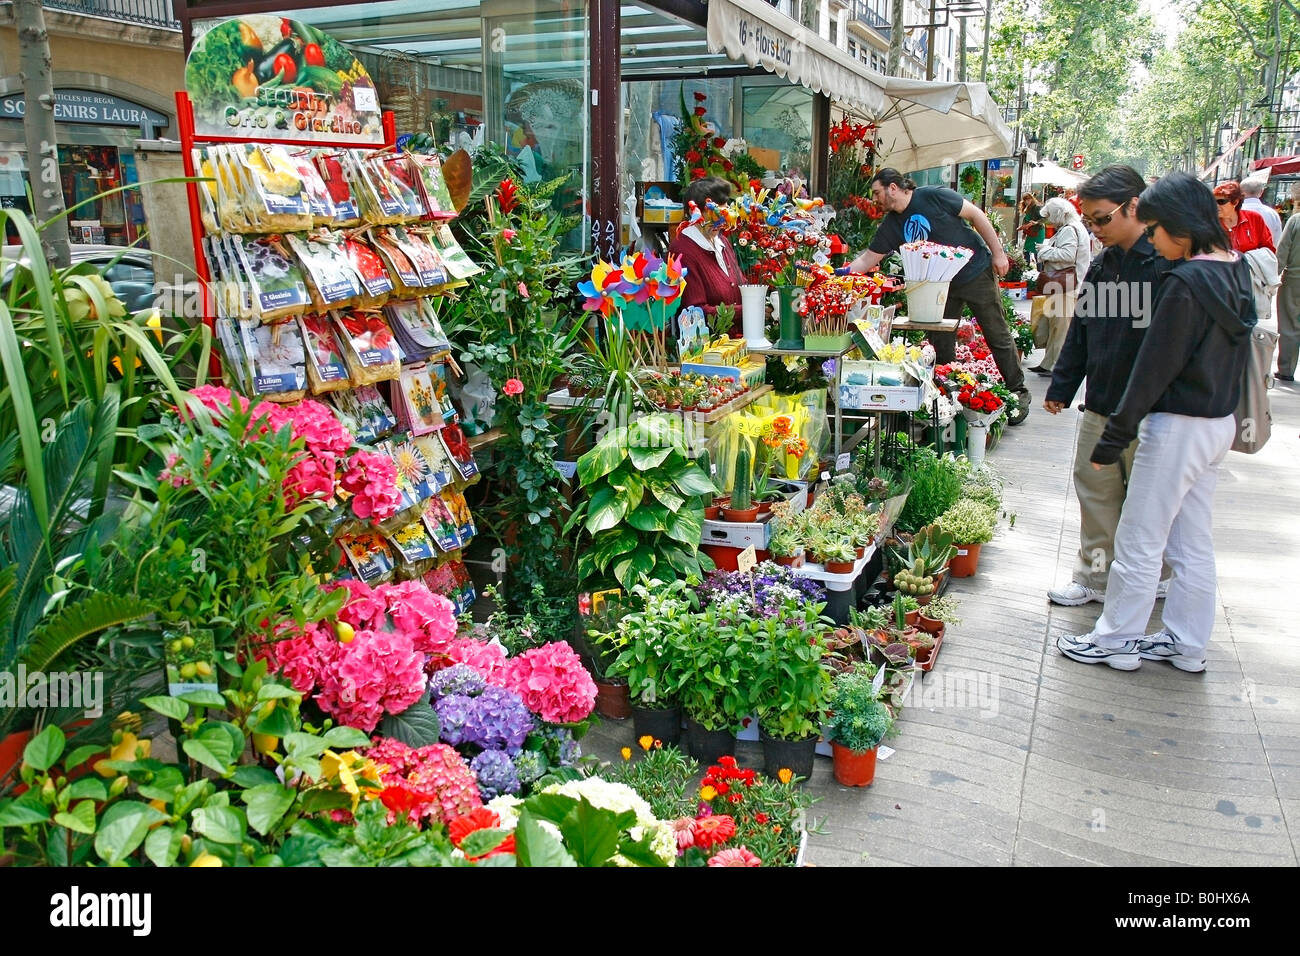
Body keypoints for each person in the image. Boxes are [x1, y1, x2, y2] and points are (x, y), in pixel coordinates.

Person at [1057, 171, 1256, 672]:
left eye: (1157, 227)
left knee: (1140, 541)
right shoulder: (1232, 269)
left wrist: (1112, 441)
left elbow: (1152, 369)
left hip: (1177, 425)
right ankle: (1187, 643)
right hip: (1215, 422)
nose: (1153, 237)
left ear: (1179, 227)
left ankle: (1116, 640)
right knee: (1191, 542)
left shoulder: (1183, 282)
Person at [1043, 165, 1175, 606]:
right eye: (1090, 220)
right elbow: (1083, 328)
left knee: (1149, 504)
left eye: (1101, 219)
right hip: (1101, 404)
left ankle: (1155, 578)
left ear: (1133, 206)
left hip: (1152, 411)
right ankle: (1095, 577)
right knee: (1096, 495)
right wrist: (1063, 386)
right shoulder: (1104, 263)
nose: (1094, 229)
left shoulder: (1165, 264)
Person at [847, 168, 1030, 424]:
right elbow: (868, 258)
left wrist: (998, 253)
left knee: (996, 333)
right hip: (939, 287)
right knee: (940, 342)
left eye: (877, 192)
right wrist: (841, 273)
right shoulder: (892, 224)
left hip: (975, 272)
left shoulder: (933, 196)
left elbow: (976, 215)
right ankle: (947, 397)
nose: (875, 199)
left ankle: (1017, 391)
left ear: (893, 187)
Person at [668, 176, 744, 332]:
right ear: (693, 211)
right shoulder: (683, 249)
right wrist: (746, 310)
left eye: (724, 213)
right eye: (714, 214)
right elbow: (694, 312)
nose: (720, 221)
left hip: (736, 344)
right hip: (707, 348)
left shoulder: (721, 241)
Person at [1028, 197, 1091, 375]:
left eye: (1049, 216)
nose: (1048, 220)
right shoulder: (1074, 228)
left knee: (1059, 326)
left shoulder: (1069, 230)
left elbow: (1067, 254)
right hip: (1067, 285)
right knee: (1057, 325)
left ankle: (1054, 365)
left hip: (1064, 286)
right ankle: (1050, 363)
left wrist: (1043, 250)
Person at [1212, 181, 1275, 254]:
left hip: (1249, 264)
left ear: (1235, 202)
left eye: (1221, 201)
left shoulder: (1254, 219)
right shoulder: (1209, 222)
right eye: (1213, 201)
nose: (1216, 206)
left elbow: (1268, 249)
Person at [1277, 209, 1300, 382]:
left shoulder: (1295, 220)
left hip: (1294, 279)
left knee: (1289, 326)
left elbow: (1283, 250)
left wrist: (1272, 278)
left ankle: (1286, 369)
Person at [1240, 177, 1283, 245]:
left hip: (1238, 254)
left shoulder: (1234, 212)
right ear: (1261, 192)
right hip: (1265, 254)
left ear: (1241, 192)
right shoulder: (1272, 213)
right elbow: (1277, 240)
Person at [1018, 192, 1045, 258]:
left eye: (1028, 199)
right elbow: (1026, 221)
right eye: (1025, 200)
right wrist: (1024, 232)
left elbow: (1044, 218)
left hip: (1038, 231)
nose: (1026, 201)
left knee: (1036, 251)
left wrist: (1036, 222)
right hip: (1031, 233)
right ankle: (1027, 266)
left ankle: (1039, 268)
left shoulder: (1037, 207)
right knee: (1026, 250)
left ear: (1032, 199)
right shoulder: (1027, 208)